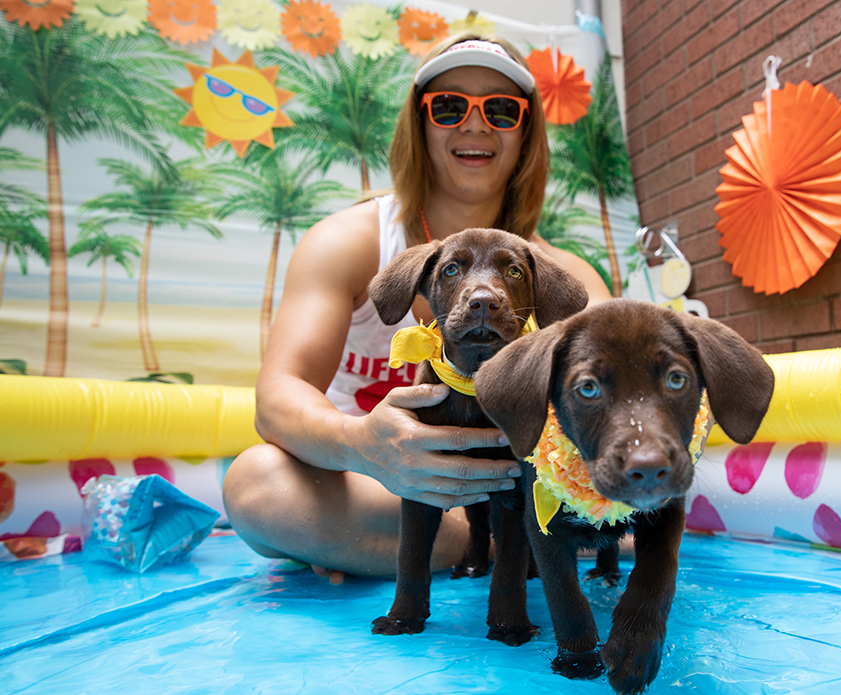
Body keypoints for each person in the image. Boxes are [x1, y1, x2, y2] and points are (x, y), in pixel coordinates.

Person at [222, 34, 612, 583]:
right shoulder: (351, 241)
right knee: (256, 484)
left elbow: (622, 388)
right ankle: (486, 548)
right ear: (419, 125)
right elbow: (277, 398)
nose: (474, 125)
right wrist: (362, 446)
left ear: (526, 136)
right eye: (449, 107)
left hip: (506, 493)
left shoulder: (559, 276)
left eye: (501, 111)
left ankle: (421, 545)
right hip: (369, 483)